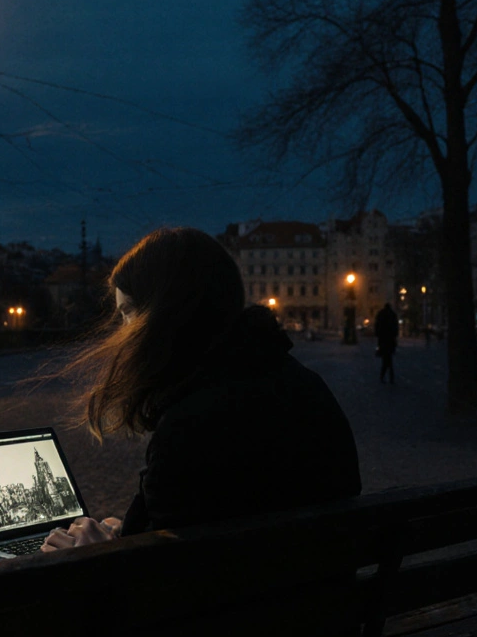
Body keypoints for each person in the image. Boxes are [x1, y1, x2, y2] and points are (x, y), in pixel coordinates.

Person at [41, 227, 361, 550]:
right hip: (319, 590)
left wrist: (94, 554)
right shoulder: (305, 386)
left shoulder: (191, 425)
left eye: (128, 314)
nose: (122, 334)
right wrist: (135, 532)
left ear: (164, 315)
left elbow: (164, 583)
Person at [376, 302, 399, 383]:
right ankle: (390, 376)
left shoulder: (381, 314)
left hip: (383, 340)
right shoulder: (393, 315)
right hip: (390, 340)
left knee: (386, 360)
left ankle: (384, 376)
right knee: (388, 359)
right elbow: (396, 329)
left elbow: (377, 328)